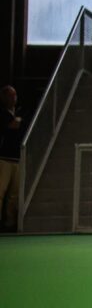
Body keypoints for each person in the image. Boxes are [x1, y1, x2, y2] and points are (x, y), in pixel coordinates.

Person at [0, 86, 22, 231]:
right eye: (10, 95)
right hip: (3, 158)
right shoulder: (2, 114)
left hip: (17, 158)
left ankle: (10, 222)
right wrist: (18, 121)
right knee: (0, 191)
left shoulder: (18, 112)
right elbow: (12, 126)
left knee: (14, 194)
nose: (13, 98)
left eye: (14, 95)